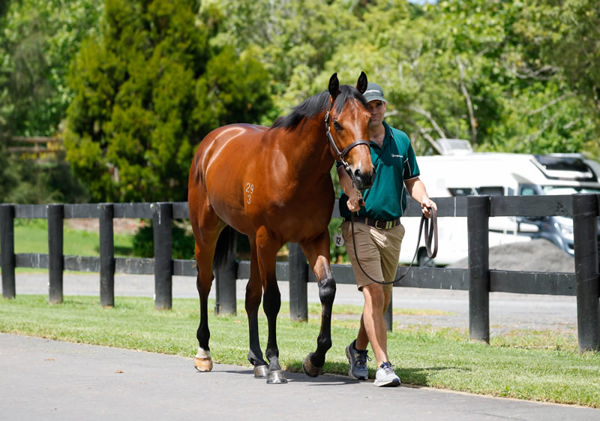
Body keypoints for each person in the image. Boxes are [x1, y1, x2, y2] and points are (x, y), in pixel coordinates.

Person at [338, 81, 437, 387]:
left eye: (378, 104)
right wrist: (351, 195)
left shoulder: (401, 141)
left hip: (393, 231)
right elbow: (343, 173)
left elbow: (412, 179)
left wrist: (424, 198)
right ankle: (384, 366)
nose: (374, 110)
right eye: (368, 105)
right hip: (360, 227)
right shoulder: (356, 137)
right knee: (375, 293)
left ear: (384, 106)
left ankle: (357, 350)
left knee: (381, 301)